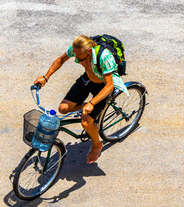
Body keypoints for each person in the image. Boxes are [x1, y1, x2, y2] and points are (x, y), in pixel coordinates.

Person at [34, 35, 128, 164]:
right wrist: (45, 77)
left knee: (85, 122)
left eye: (80, 58)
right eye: (75, 56)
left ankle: (97, 144)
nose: (76, 59)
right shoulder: (77, 50)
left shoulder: (104, 57)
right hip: (88, 79)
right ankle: (93, 111)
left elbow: (109, 86)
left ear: (89, 52)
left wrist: (92, 103)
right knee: (63, 108)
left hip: (103, 86)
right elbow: (61, 60)